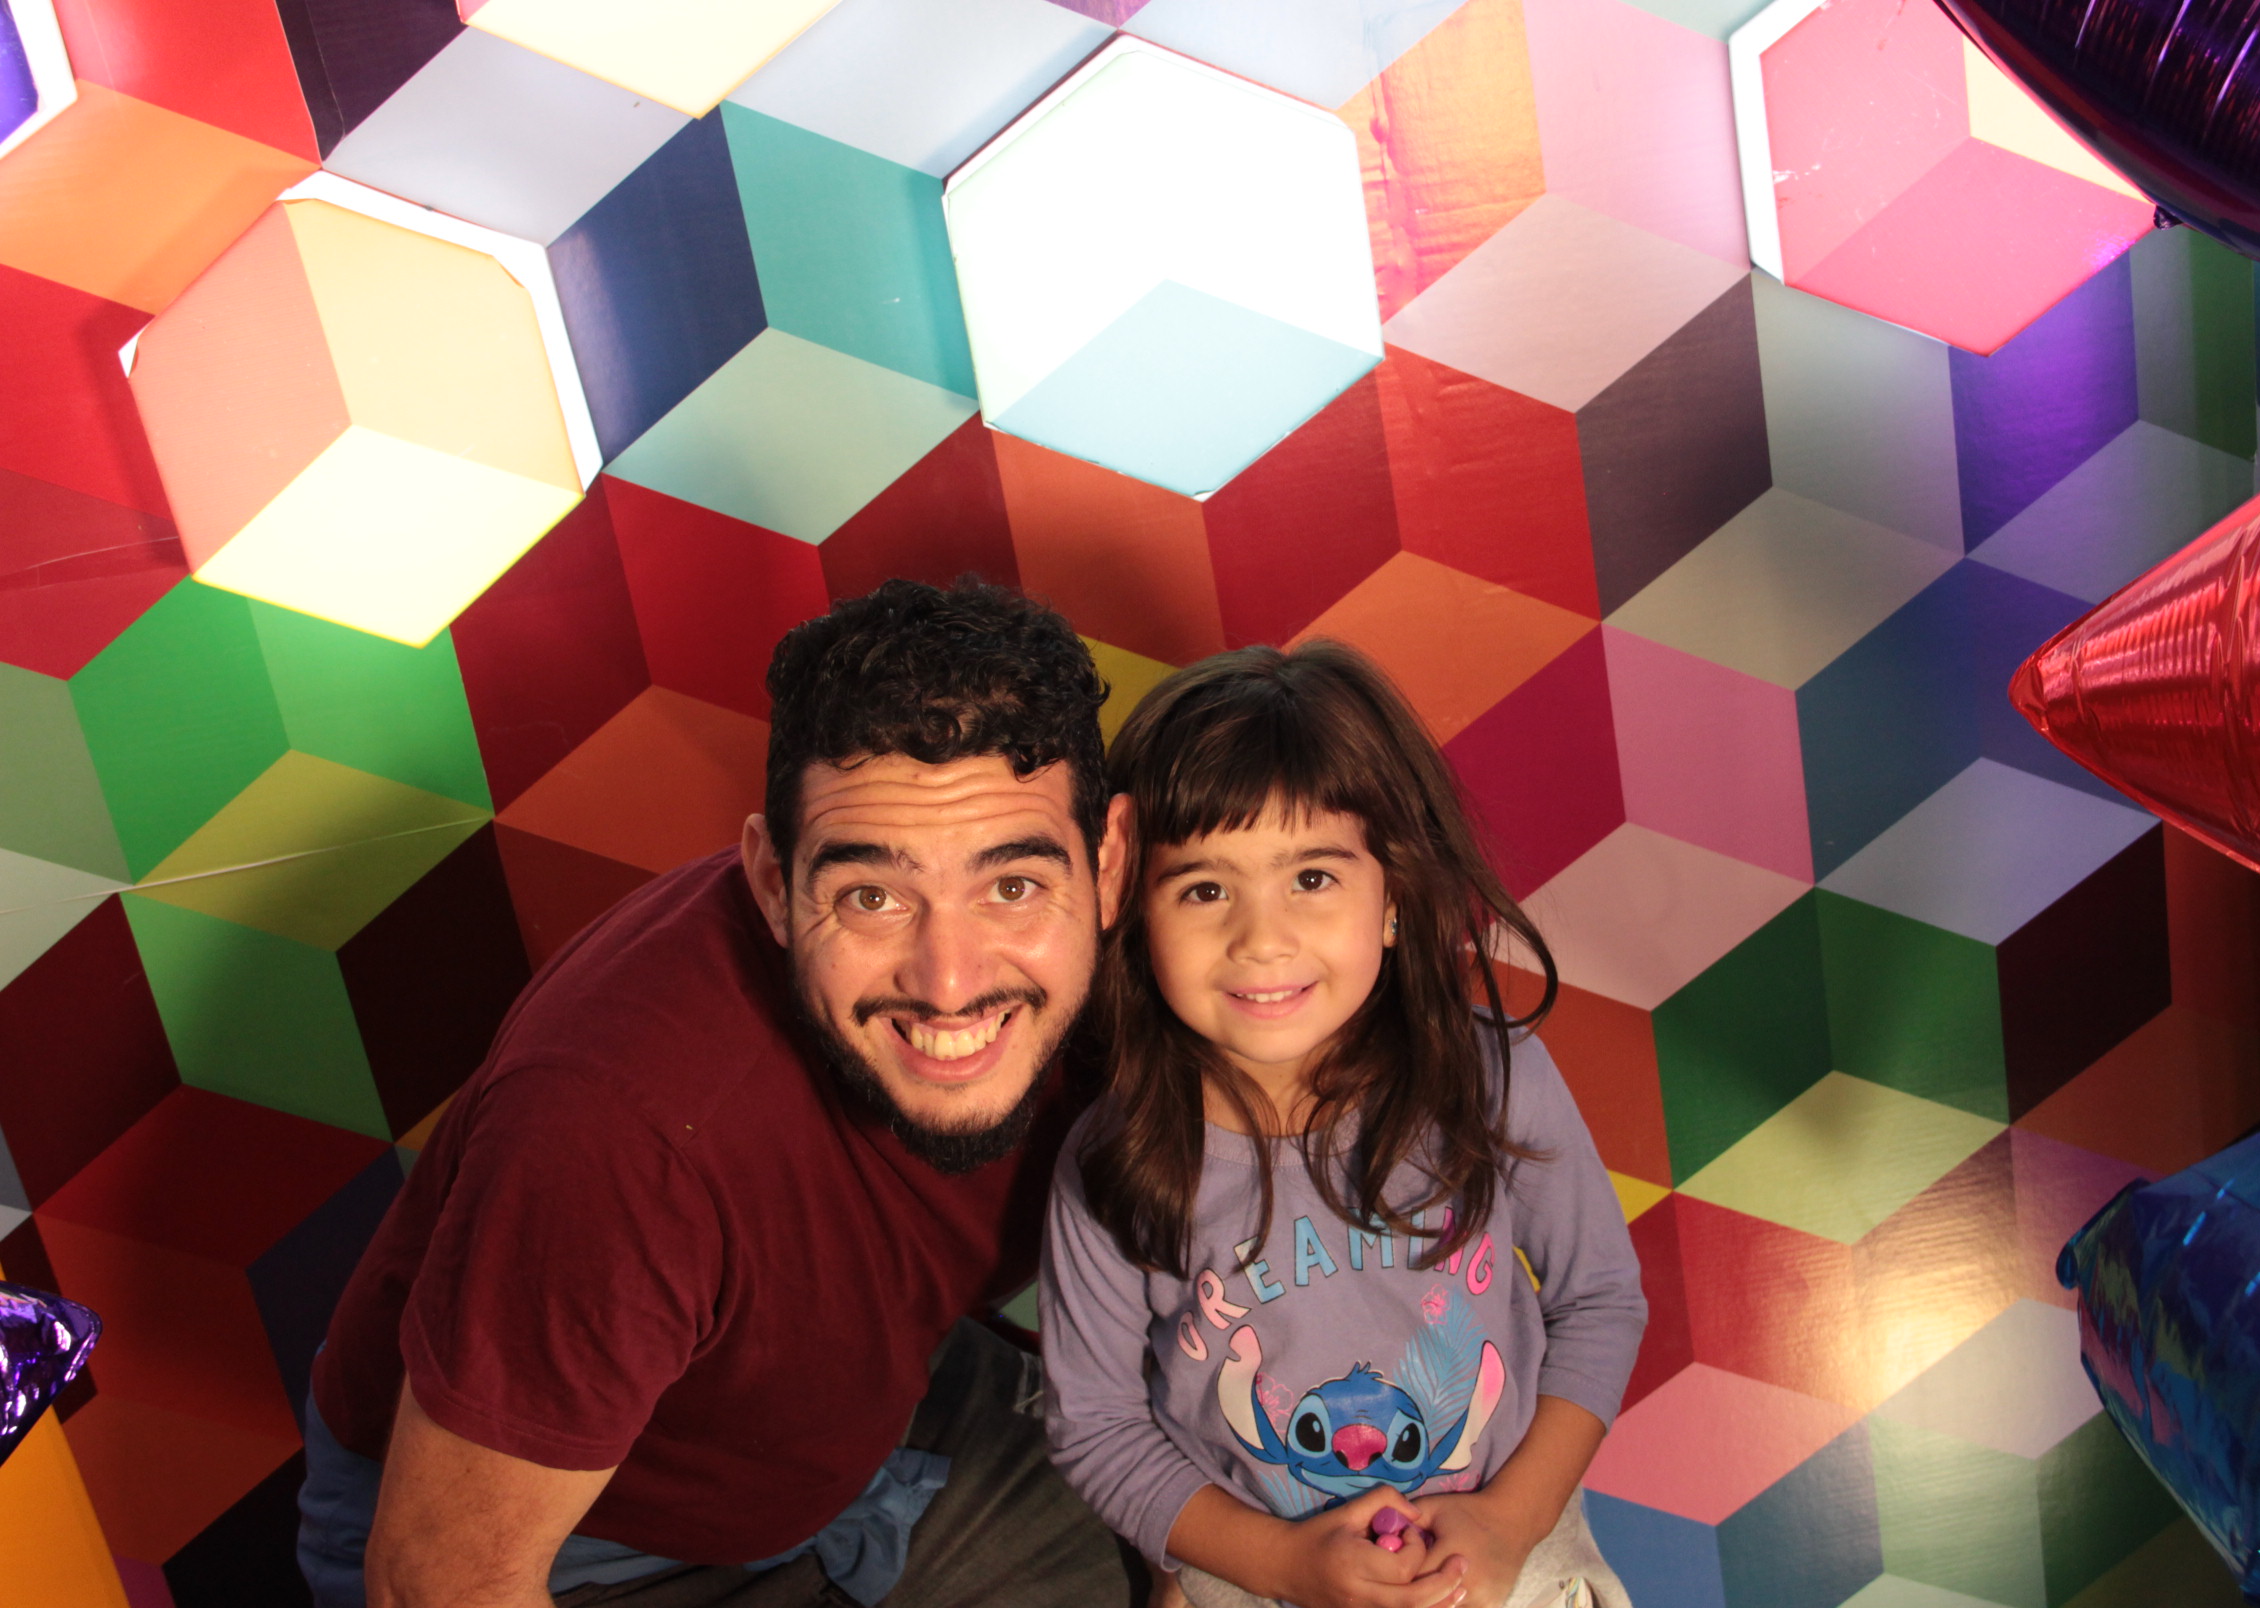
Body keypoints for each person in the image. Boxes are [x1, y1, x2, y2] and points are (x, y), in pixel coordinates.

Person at [297, 579, 1142, 1608]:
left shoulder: (1187, 957)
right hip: (580, 1538)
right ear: (773, 885)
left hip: (846, 1408)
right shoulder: (614, 1138)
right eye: (871, 896)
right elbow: (438, 1580)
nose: (950, 981)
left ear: (1109, 865)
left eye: (1011, 886)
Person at [1039, 642, 1646, 1608]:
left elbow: (1601, 1301)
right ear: (1135, 912)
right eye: (1204, 889)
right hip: (1254, 1572)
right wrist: (1274, 1567)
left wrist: (1509, 1523)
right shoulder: (1114, 1161)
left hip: (1507, 1553)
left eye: (1312, 879)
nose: (1261, 938)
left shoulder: (1487, 1078)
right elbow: (1097, 1426)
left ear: (1394, 893)